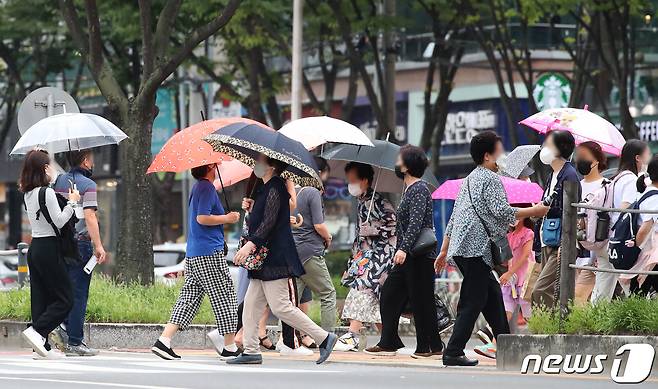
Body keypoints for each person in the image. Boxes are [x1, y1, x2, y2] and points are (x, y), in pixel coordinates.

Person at [436, 131, 549, 366]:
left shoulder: (470, 179)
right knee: (472, 301)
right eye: (499, 150)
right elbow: (504, 212)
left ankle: (506, 345)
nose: (502, 155)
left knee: (493, 296)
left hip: (464, 248)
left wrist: (445, 250)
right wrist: (535, 211)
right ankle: (453, 351)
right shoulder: (490, 179)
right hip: (476, 249)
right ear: (488, 156)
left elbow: (454, 219)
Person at [228, 154, 338, 365]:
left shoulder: (276, 188)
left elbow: (269, 224)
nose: (255, 164)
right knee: (251, 305)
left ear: (271, 165)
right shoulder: (263, 187)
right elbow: (263, 219)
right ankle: (251, 350)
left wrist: (250, 244)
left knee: (280, 307)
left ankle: (324, 338)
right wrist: (251, 207)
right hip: (264, 258)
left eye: (258, 160)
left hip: (274, 257)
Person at [152, 163, 242, 360]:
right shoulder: (207, 187)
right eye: (216, 164)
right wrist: (227, 218)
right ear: (210, 167)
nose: (219, 165)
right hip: (209, 253)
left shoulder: (197, 188)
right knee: (225, 296)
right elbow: (202, 218)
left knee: (189, 299)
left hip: (195, 252)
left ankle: (164, 341)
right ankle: (229, 347)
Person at [365, 145, 442, 359]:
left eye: (400, 160)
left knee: (421, 300)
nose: (396, 163)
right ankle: (389, 341)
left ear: (407, 166)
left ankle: (428, 346)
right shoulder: (409, 189)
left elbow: (416, 224)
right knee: (390, 293)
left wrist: (403, 249)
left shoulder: (419, 189)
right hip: (408, 255)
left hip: (418, 255)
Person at [19, 150, 78, 359]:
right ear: (44, 168)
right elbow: (60, 221)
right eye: (49, 164)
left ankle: (40, 345)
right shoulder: (47, 192)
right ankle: (37, 331)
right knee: (65, 299)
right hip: (49, 248)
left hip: (35, 248)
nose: (52, 167)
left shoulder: (28, 194)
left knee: (41, 298)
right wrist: (72, 202)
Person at [48, 150, 105, 356]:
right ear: (85, 161)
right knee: (79, 292)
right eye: (91, 158)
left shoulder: (59, 182)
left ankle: (63, 326)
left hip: (61, 243)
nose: (93, 161)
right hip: (81, 244)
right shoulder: (88, 185)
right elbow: (89, 217)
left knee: (65, 289)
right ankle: (75, 341)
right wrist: (98, 245)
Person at [335, 162, 397, 352]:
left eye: (353, 180)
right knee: (375, 300)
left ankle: (352, 335)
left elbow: (393, 226)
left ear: (365, 180)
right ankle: (389, 339)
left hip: (380, 256)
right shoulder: (362, 202)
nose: (350, 184)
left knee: (361, 290)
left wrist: (373, 230)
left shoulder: (379, 202)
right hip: (365, 257)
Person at [591, 139, 649, 303]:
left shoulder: (617, 177)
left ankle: (594, 322)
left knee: (602, 287)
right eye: (647, 154)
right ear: (638, 158)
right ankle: (638, 317)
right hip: (620, 241)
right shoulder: (631, 179)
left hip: (607, 239)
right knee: (630, 284)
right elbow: (625, 210)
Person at [288, 156, 337, 349]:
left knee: (290, 302)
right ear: (319, 173)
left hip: (293, 252)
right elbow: (318, 225)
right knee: (328, 294)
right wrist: (329, 237)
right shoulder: (312, 192)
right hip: (310, 251)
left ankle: (288, 340)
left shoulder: (293, 192)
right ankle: (327, 338)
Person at [531, 130, 580, 309]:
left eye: (548, 144)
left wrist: (564, 245)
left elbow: (569, 212)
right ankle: (547, 329)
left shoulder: (569, 175)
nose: (544, 147)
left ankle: (548, 330)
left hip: (559, 242)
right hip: (547, 239)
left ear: (561, 148)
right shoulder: (552, 175)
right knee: (550, 291)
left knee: (541, 290)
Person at [573, 142, 608, 304]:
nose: (580, 160)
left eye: (584, 156)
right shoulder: (575, 187)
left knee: (578, 298)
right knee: (584, 299)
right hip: (577, 252)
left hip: (594, 253)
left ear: (596, 161)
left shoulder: (606, 186)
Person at [619, 157, 658, 296]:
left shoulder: (646, 192)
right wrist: (636, 249)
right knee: (640, 290)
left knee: (639, 292)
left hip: (645, 254)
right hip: (646, 254)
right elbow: (645, 228)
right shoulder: (655, 198)